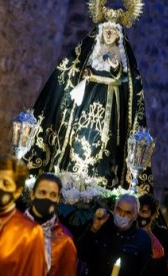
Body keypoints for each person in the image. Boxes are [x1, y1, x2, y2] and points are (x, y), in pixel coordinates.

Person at [23, 0, 152, 191]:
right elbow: (69, 74)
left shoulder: (121, 57)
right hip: (84, 106)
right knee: (77, 136)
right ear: (100, 32)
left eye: (113, 31)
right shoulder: (88, 54)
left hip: (109, 106)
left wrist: (114, 68)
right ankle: (66, 173)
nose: (109, 34)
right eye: (106, 30)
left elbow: (124, 79)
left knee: (105, 143)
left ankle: (101, 181)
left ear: (119, 35)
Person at [77, 194, 152, 276]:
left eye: (128, 212)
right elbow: (82, 254)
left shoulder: (142, 239)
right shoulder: (102, 226)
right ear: (114, 209)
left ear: (135, 216)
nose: (122, 215)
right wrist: (93, 230)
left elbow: (143, 271)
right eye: (119, 209)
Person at [24, 173, 77, 275]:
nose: (47, 198)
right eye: (42, 193)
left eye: (52, 195)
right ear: (32, 195)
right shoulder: (12, 227)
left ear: (57, 199)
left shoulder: (65, 239)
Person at [138, 194, 168, 258]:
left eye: (144, 212)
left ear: (153, 215)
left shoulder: (161, 234)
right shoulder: (129, 229)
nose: (139, 214)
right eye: (138, 210)